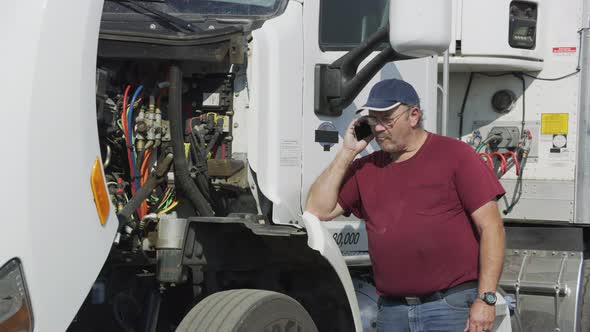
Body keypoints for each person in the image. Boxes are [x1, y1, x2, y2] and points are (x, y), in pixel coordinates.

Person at [306, 79, 506, 332]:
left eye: (386, 119)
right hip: (392, 311)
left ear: (413, 116)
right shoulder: (366, 167)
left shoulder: (456, 155)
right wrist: (347, 152)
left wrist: (486, 299)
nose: (378, 128)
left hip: (449, 307)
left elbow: (492, 228)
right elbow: (317, 209)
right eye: (372, 120)